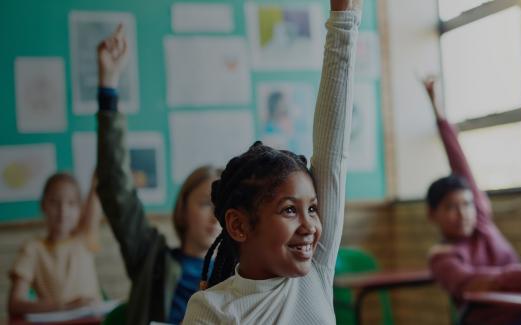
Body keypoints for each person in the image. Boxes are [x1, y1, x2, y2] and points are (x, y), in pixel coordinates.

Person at [182, 0, 362, 323]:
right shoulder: (210, 309)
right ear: (239, 225)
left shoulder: (313, 270)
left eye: (312, 208)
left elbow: (334, 153)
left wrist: (344, 20)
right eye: (289, 210)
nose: (310, 226)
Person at [95, 25, 222, 324]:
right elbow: (117, 188)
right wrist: (108, 86)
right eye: (205, 203)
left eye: (223, 207)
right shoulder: (152, 259)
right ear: (182, 208)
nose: (215, 216)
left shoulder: (242, 272)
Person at [422, 77, 521, 325]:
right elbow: (479, 281)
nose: (463, 213)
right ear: (432, 214)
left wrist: (439, 110)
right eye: (450, 207)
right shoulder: (442, 258)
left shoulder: (481, 222)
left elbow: (459, 162)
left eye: (466, 204)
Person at [8, 173, 103, 315]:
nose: (63, 211)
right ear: (43, 205)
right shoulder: (33, 249)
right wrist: (66, 305)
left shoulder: (84, 239)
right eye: (54, 202)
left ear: (80, 208)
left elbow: (96, 189)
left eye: (71, 203)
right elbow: (15, 305)